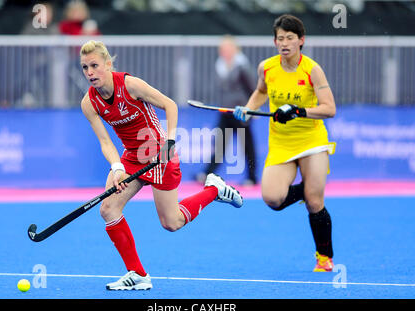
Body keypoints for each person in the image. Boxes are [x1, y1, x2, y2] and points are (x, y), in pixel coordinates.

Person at [79, 40, 243, 290]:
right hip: (132, 158)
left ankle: (214, 190)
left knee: (171, 223)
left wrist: (170, 142)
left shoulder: (130, 85)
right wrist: (116, 168)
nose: (90, 72)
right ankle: (138, 274)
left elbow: (170, 105)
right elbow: (105, 141)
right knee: (108, 208)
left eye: (94, 66)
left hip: (159, 154)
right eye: (84, 68)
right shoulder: (89, 103)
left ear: (108, 65)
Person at [234, 14, 337, 272]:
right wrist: (248, 109)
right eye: (280, 38)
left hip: (311, 140)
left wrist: (299, 111)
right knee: (272, 198)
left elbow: (329, 108)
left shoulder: (312, 70)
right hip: (281, 143)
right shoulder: (266, 68)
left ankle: (324, 258)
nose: (284, 43)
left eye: (290, 38)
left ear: (301, 40)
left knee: (315, 202)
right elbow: (260, 92)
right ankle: (308, 187)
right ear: (274, 41)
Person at [195, 35, 258, 186]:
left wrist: (253, 108)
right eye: (222, 49)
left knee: (247, 145)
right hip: (225, 111)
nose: (224, 51)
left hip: (241, 112)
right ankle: (208, 173)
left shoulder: (242, 66)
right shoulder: (220, 65)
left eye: (227, 48)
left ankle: (252, 177)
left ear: (235, 49)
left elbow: (252, 88)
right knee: (220, 143)